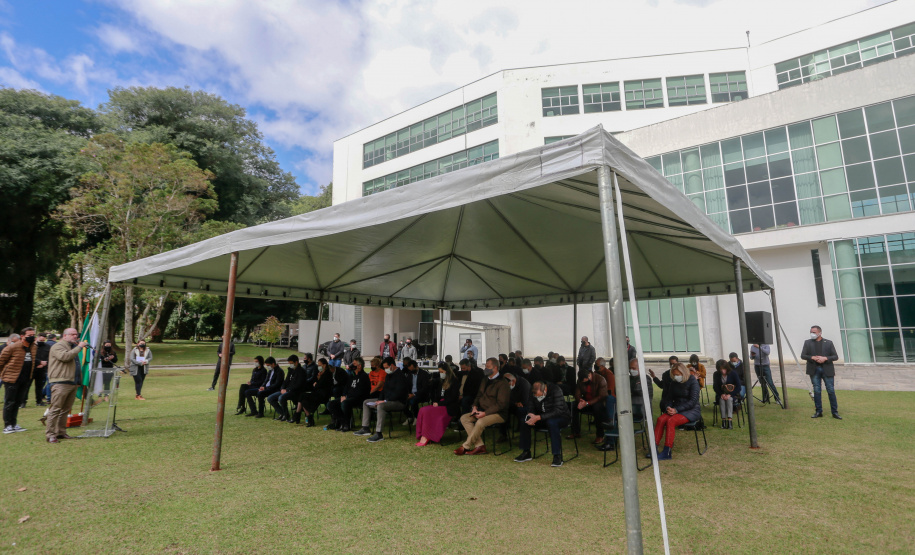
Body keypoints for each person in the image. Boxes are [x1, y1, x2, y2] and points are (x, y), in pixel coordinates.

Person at [455, 357, 510, 456]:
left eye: (488, 367)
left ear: (495, 368)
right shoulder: (485, 379)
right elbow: (479, 395)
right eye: (485, 366)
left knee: (480, 422)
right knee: (464, 418)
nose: (485, 369)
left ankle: (466, 446)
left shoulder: (502, 383)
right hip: (482, 410)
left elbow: (501, 404)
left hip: (498, 413)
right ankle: (479, 446)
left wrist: (485, 413)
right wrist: (475, 406)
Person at [514, 380, 571, 467]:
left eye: (539, 396)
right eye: (536, 396)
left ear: (544, 391)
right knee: (525, 421)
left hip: (561, 417)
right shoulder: (532, 391)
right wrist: (531, 414)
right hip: (542, 417)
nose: (538, 398)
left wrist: (539, 417)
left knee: (552, 423)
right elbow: (530, 405)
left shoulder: (556, 390)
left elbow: (558, 410)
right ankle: (526, 452)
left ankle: (557, 455)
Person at [44, 328, 87, 443]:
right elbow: (65, 357)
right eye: (72, 334)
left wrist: (78, 381)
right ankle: (50, 434)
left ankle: (61, 432)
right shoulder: (58, 346)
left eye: (76, 334)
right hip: (60, 381)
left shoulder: (72, 347)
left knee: (65, 409)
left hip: (72, 382)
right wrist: (79, 347)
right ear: (64, 336)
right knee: (56, 408)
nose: (75, 336)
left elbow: (76, 365)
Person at [651, 363, 700, 460]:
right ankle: (653, 448)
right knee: (660, 419)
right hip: (676, 409)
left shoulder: (692, 381)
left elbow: (693, 401)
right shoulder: (673, 383)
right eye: (674, 375)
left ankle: (667, 451)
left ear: (683, 373)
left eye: (678, 374)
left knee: (671, 421)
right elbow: (668, 398)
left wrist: (677, 410)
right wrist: (668, 407)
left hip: (691, 410)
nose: (676, 377)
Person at [355, 356, 408, 442]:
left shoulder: (400, 376)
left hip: (398, 402)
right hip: (387, 400)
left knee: (381, 406)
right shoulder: (388, 375)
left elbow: (399, 393)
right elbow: (383, 390)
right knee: (366, 402)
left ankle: (379, 433)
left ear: (392, 365)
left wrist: (384, 401)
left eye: (386, 367)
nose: (385, 369)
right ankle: (365, 428)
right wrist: (379, 400)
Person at [415, 362, 462, 446]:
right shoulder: (441, 381)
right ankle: (423, 434)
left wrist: (440, 403)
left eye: (441, 372)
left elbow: (453, 398)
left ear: (446, 371)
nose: (440, 374)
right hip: (441, 404)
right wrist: (436, 401)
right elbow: (438, 395)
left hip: (449, 406)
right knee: (422, 410)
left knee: (427, 412)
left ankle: (428, 435)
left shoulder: (454, 381)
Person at [1, 329, 38, 434]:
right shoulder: (13, 347)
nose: (32, 337)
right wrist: (3, 374)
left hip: (25, 379)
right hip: (12, 379)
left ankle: (14, 424)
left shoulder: (33, 347)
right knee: (10, 402)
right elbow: (1, 361)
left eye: (33, 335)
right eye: (29, 335)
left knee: (18, 402)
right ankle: (7, 425)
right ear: (22, 336)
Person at [801, 325, 840, 419]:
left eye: (814, 332)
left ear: (819, 333)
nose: (812, 334)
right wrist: (812, 357)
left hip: (827, 369)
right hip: (814, 369)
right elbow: (803, 355)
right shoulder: (807, 342)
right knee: (817, 391)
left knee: (830, 390)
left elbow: (835, 356)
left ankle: (834, 412)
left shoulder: (829, 343)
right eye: (811, 332)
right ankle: (819, 411)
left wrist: (825, 358)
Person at [327, 356, 369, 432]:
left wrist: (347, 397)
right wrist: (343, 395)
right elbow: (346, 387)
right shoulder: (351, 375)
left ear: (359, 366)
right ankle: (342, 422)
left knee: (344, 403)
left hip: (358, 398)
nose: (352, 365)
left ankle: (347, 424)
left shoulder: (364, 376)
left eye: (354, 364)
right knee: (330, 404)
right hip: (348, 397)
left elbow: (361, 391)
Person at [570, 366, 609, 445]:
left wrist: (587, 403)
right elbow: (577, 392)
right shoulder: (580, 381)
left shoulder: (601, 380)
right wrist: (580, 400)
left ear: (589, 376)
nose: (583, 383)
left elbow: (601, 396)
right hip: (585, 401)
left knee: (597, 408)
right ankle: (575, 431)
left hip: (598, 403)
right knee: (574, 406)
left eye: (585, 381)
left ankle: (600, 435)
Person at [268, 355, 306, 422]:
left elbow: (298, 385)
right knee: (270, 398)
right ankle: (282, 413)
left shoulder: (301, 371)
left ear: (296, 362)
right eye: (289, 363)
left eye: (291, 363)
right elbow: (286, 381)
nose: (290, 365)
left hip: (295, 392)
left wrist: (287, 390)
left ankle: (286, 415)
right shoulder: (290, 370)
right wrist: (282, 388)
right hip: (286, 390)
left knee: (281, 398)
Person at [296, 357, 332, 426]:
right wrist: (317, 380)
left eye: (319, 365)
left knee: (303, 398)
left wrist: (317, 382)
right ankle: (306, 417)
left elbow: (320, 385)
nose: (318, 366)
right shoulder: (320, 373)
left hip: (323, 394)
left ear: (324, 365)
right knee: (302, 397)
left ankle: (299, 415)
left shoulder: (327, 374)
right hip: (317, 392)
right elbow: (315, 383)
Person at [712, 359, 742, 429]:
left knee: (729, 400)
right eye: (721, 369)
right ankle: (723, 421)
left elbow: (738, 387)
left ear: (727, 368)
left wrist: (730, 394)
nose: (723, 371)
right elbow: (715, 387)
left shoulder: (733, 373)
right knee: (722, 400)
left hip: (732, 394)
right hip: (721, 394)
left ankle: (730, 421)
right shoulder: (716, 374)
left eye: (724, 369)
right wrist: (721, 394)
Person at [503, 371, 530, 439]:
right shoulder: (507, 385)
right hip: (514, 404)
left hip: (526, 405)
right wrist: (514, 403)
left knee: (521, 411)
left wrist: (519, 403)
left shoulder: (524, 384)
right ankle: (503, 434)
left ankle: (523, 435)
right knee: (503, 410)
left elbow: (526, 400)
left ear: (513, 381)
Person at [402, 358, 430, 424]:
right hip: (410, 393)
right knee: (401, 400)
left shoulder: (424, 374)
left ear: (416, 367)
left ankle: (416, 417)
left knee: (414, 400)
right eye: (410, 370)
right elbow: (407, 385)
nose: (411, 371)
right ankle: (409, 416)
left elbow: (425, 388)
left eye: (412, 369)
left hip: (421, 394)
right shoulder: (409, 374)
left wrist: (414, 394)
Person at [29, 333, 51, 407]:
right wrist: (38, 363)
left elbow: (50, 357)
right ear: (37, 338)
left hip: (42, 369)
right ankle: (23, 402)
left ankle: (39, 401)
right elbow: (30, 357)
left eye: (43, 338)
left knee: (39, 386)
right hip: (32, 368)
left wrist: (44, 364)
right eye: (40, 338)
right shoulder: (31, 346)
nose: (42, 339)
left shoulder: (48, 347)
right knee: (27, 386)